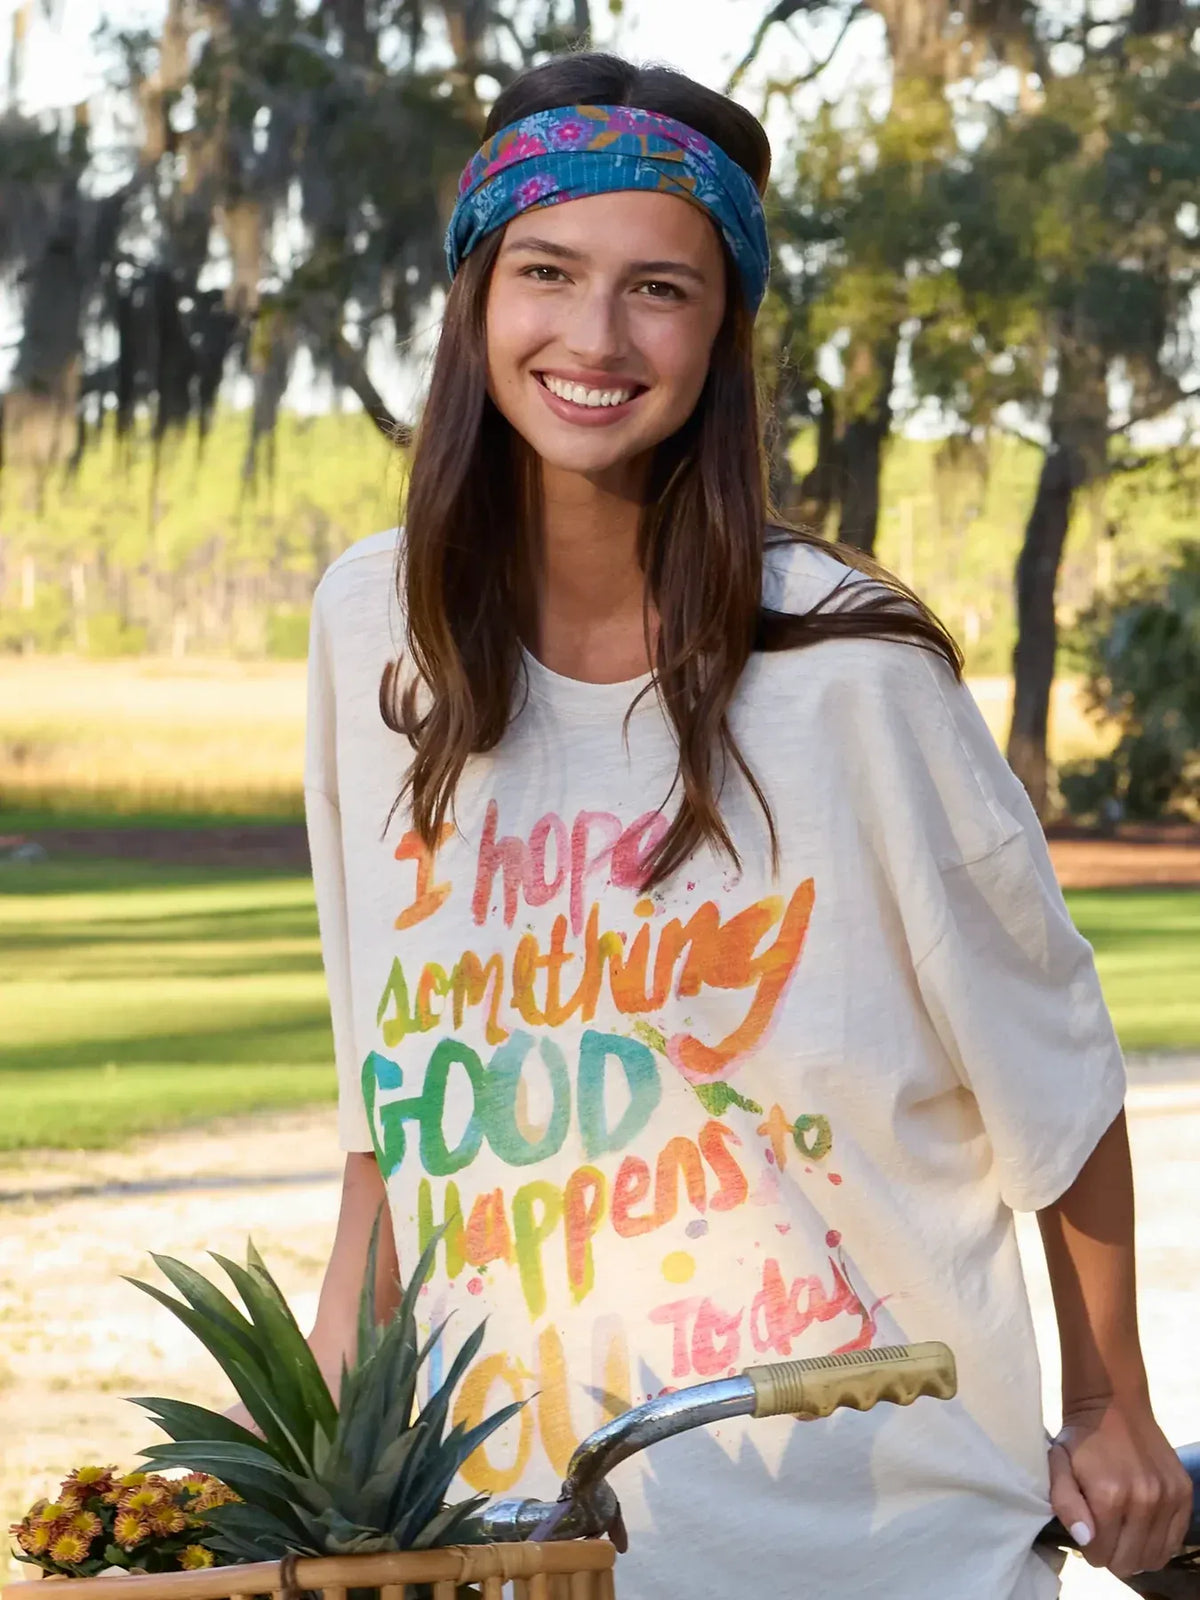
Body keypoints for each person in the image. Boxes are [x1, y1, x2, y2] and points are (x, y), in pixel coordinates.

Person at [299, 49, 1190, 1600]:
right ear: (474, 297)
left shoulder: (852, 669)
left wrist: (1110, 1405)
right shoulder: (374, 631)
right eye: (547, 273)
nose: (593, 336)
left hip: (868, 1541)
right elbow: (394, 1095)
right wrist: (321, 1452)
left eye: (660, 289)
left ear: (722, 332)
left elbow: (1053, 1064)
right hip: (513, 1538)